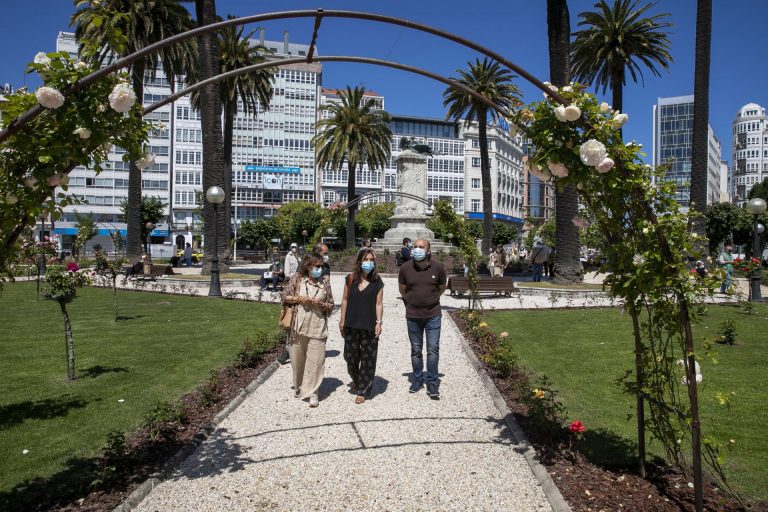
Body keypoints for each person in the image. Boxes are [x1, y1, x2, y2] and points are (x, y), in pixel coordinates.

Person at [282, 253, 334, 407]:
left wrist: (323, 305)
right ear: (308, 266)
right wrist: (300, 299)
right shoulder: (297, 279)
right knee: (297, 361)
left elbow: (331, 305)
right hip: (298, 327)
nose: (320, 269)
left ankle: (313, 392)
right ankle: (299, 387)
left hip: (317, 327)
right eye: (316, 266)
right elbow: (284, 297)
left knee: (316, 362)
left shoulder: (325, 283)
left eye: (321, 266)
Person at [398, 238, 447, 399]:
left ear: (428, 250)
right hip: (413, 315)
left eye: (421, 247)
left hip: (433, 315)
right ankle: (418, 379)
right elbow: (403, 290)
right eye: (415, 247)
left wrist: (430, 300)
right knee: (416, 350)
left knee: (433, 349)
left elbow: (441, 287)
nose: (417, 249)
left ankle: (432, 381)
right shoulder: (405, 268)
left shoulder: (438, 267)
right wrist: (412, 302)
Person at [339, 248, 384, 404]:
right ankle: (358, 381)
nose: (369, 263)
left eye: (371, 260)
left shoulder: (377, 281)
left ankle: (363, 390)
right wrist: (342, 320)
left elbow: (379, 304)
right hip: (351, 324)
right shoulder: (350, 279)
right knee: (350, 357)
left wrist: (379, 322)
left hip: (369, 326)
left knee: (367, 360)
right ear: (359, 261)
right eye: (366, 259)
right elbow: (344, 300)